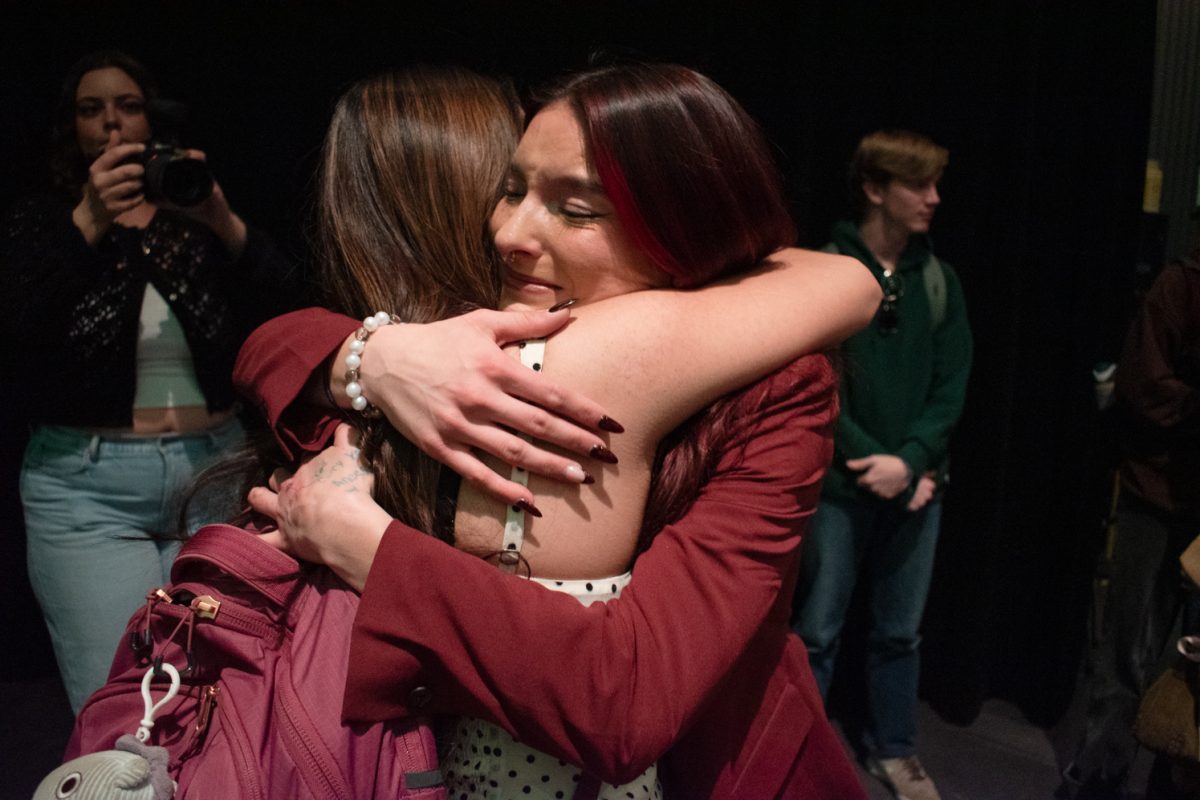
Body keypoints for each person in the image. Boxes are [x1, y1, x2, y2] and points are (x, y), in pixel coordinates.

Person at [237, 64, 879, 798]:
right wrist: (373, 357)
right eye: (508, 191)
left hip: (718, 770)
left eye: (576, 210)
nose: (508, 233)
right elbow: (268, 345)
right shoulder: (460, 349)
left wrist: (362, 544)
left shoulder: (778, 391)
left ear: (685, 223)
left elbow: (627, 705)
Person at [0, 50, 297, 713]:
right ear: (69, 127)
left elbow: (288, 298)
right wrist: (88, 222)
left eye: (127, 105)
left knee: (230, 700)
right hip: (87, 490)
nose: (111, 122)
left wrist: (219, 217)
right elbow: (16, 325)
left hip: (213, 472)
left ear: (152, 116)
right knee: (126, 708)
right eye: (90, 108)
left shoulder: (188, 217)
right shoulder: (45, 220)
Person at [791, 129, 972, 800]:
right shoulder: (826, 269)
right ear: (874, 189)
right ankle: (796, 748)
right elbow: (813, 379)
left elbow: (952, 385)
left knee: (900, 632)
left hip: (917, 487)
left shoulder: (936, 279)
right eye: (917, 184)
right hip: (842, 487)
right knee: (816, 631)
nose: (933, 198)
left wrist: (914, 462)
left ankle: (896, 749)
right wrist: (873, 459)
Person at [1064, 247, 1200, 799]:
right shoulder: (1182, 286)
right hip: (1158, 494)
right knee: (1127, 651)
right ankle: (1101, 773)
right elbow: (1142, 386)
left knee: (1190, 664)